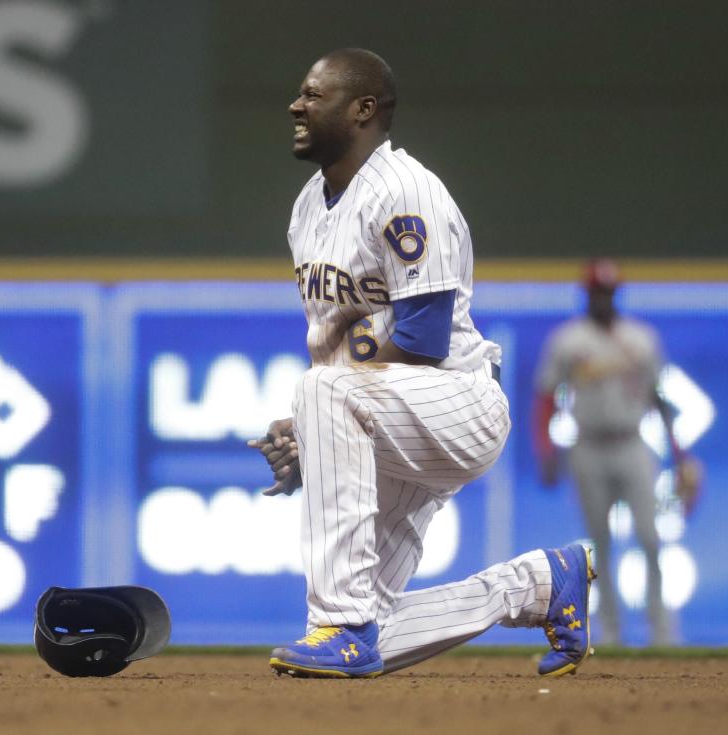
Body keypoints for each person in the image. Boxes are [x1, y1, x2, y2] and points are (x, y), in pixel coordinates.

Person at [248, 48, 595, 679]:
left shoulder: (405, 189)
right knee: (368, 626)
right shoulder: (308, 207)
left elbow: (425, 333)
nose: (296, 105)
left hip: (457, 402)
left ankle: (346, 629)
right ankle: (539, 584)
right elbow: (338, 351)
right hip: (393, 416)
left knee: (323, 393)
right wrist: (318, 437)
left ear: (363, 109)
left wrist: (315, 418)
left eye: (312, 94)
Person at [533, 259, 692, 646]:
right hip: (588, 446)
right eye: (596, 292)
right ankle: (611, 634)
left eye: (608, 291)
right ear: (586, 295)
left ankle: (662, 633)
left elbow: (659, 397)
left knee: (650, 538)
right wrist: (546, 449)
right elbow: (545, 397)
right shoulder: (568, 340)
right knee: (598, 542)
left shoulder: (640, 338)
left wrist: (680, 455)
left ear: (615, 294)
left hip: (632, 443)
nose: (602, 298)